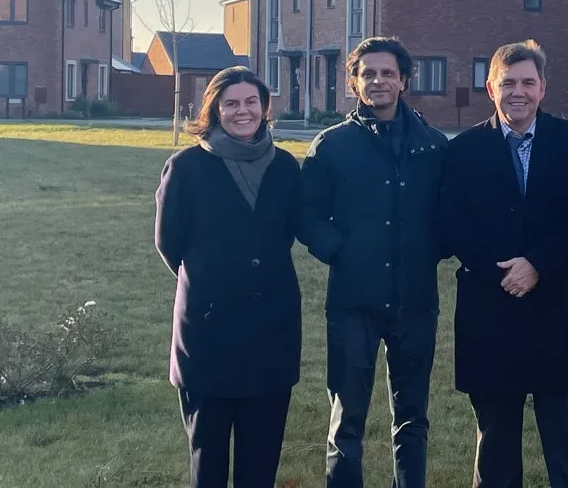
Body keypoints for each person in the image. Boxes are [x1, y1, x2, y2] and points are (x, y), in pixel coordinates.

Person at [439, 40, 568, 488]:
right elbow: (454, 224)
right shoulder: (465, 149)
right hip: (490, 309)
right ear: (491, 88)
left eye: (527, 82)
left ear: (543, 88)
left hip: (558, 306)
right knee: (496, 441)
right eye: (508, 82)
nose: (518, 91)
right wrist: (503, 273)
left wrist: (538, 265)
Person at [300, 37, 448, 488]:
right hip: (353, 301)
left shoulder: (433, 145)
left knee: (412, 418)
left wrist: (428, 249)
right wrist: (341, 250)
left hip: (416, 300)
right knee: (347, 418)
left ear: (404, 80)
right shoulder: (332, 146)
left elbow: (451, 212)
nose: (378, 81)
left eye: (387, 73)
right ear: (354, 82)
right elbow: (305, 213)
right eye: (368, 74)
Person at [154, 66, 302, 488]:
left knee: (261, 457)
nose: (243, 111)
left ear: (264, 108)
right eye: (231, 103)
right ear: (215, 110)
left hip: (271, 332)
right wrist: (211, 281)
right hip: (208, 332)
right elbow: (170, 244)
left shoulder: (286, 167)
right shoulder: (186, 167)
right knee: (209, 455)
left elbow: (286, 231)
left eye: (251, 102)